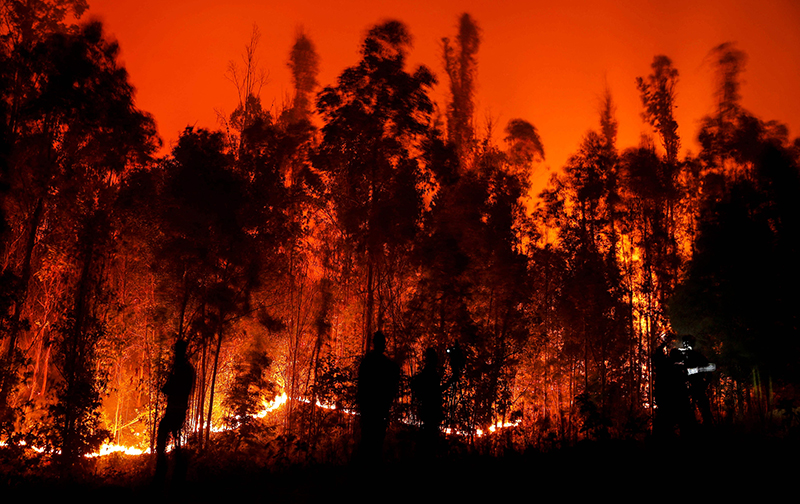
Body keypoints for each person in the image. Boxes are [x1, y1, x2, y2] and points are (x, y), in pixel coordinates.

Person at [155, 339, 195, 483]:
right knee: (175, 438)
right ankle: (175, 468)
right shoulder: (183, 368)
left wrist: (169, 386)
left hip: (176, 409)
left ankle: (167, 467)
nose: (174, 354)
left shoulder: (183, 369)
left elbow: (176, 388)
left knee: (166, 434)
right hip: (177, 408)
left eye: (176, 352)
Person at [356, 330, 399, 462]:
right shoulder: (387, 365)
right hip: (379, 410)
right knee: (376, 443)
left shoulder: (367, 362)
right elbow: (393, 387)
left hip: (370, 410)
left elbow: (361, 385)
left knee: (368, 441)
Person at [678, 335, 715, 426]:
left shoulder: (698, 356)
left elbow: (711, 367)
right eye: (685, 343)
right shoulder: (681, 357)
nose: (686, 345)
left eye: (688, 343)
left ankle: (707, 427)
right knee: (686, 411)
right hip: (686, 388)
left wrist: (705, 383)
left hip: (697, 386)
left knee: (704, 409)